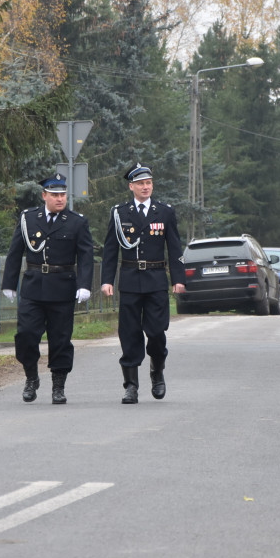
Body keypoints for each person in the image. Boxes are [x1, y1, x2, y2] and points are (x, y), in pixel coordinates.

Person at [1, 174, 94, 404]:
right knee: (26, 335)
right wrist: (9, 284)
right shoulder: (28, 219)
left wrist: (84, 285)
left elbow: (85, 256)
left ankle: (58, 386)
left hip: (62, 287)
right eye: (54, 195)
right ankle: (31, 377)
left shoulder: (76, 222)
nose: (60, 199)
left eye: (62, 194)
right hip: (33, 287)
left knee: (60, 339)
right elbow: (15, 252)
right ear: (44, 196)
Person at [100, 163, 186, 404]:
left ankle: (157, 372)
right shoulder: (120, 213)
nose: (145, 187)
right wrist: (107, 280)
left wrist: (178, 279)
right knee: (129, 334)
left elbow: (175, 247)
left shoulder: (165, 212)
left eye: (148, 183)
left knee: (157, 332)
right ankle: (131, 385)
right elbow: (110, 249)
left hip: (157, 280)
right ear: (131, 187)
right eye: (140, 183)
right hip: (129, 280)